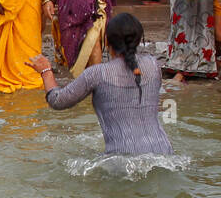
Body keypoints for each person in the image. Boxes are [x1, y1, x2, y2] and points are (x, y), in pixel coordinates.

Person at [28, 13, 173, 156]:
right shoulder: (154, 65)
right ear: (139, 39)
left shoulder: (97, 74)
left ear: (107, 41)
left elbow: (57, 100)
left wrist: (46, 71)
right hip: (165, 153)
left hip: (122, 160)